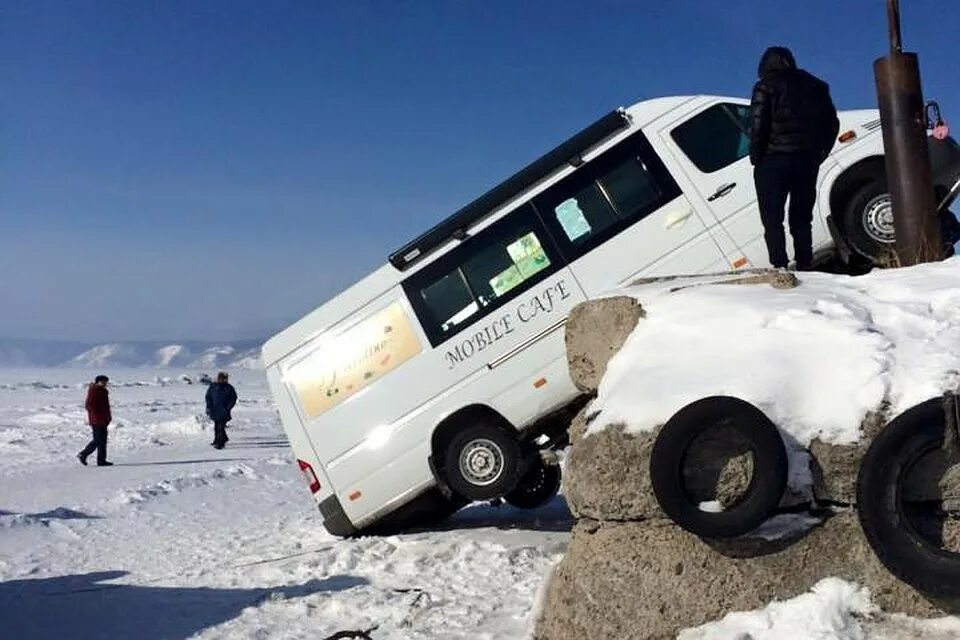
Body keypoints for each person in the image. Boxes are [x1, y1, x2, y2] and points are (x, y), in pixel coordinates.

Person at [750, 46, 839, 271]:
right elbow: (832, 124)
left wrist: (755, 156)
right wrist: (820, 153)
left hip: (773, 160)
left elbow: (759, 125)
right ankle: (805, 262)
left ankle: (780, 265)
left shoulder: (765, 86)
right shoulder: (817, 87)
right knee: (801, 217)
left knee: (772, 218)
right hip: (806, 161)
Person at [78, 374, 113, 467]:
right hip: (97, 420)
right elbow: (89, 405)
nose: (105, 383)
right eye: (103, 382)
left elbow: (105, 406)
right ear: (98, 382)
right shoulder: (94, 391)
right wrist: (97, 414)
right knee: (98, 439)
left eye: (106, 382)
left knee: (103, 440)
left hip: (103, 419)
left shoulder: (103, 391)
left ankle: (101, 460)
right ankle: (83, 454)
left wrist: (107, 417)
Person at [206, 371, 238, 449]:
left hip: (224, 411)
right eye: (221, 378)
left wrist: (228, 407)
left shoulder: (229, 387)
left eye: (225, 378)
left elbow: (233, 398)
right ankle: (218, 440)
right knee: (217, 426)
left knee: (220, 427)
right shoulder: (213, 386)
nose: (223, 380)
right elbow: (208, 397)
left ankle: (220, 443)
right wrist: (209, 406)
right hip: (214, 410)